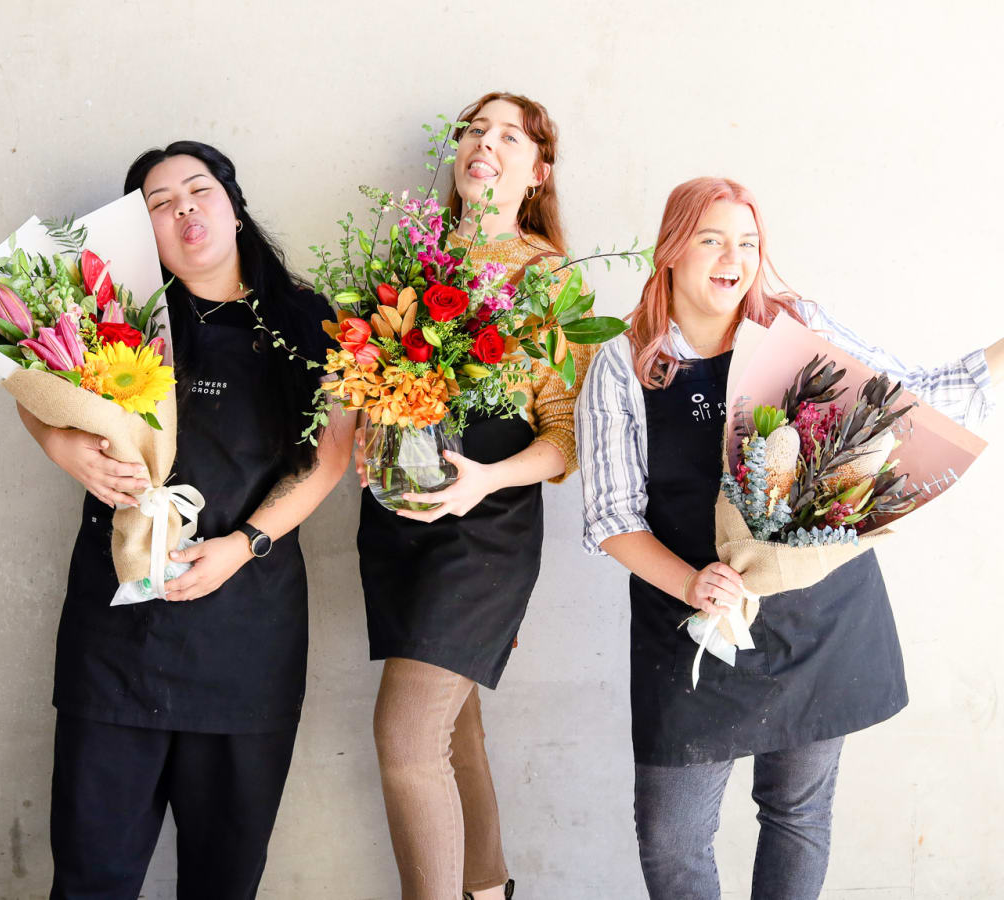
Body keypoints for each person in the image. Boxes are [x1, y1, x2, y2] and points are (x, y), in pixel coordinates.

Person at [575, 176, 1002, 900]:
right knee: (672, 839)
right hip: (693, 624)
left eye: (747, 242)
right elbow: (611, 516)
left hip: (819, 618)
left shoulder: (797, 328)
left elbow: (907, 399)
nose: (731, 257)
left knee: (797, 813)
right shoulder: (625, 361)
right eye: (711, 238)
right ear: (671, 249)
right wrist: (691, 583)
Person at [17, 141, 354, 899]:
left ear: (233, 205)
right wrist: (69, 450)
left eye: (198, 191)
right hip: (116, 635)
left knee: (223, 880)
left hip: (246, 633)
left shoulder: (307, 320)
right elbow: (33, 393)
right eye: (160, 204)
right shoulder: (116, 312)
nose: (184, 210)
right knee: (90, 876)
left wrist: (245, 544)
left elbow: (330, 459)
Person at [357, 91, 593, 900]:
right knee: (452, 733)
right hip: (397, 518)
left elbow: (564, 434)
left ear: (538, 171)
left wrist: (486, 480)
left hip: (484, 527)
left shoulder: (548, 273)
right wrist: (370, 438)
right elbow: (371, 381)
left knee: (404, 739)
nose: (483, 144)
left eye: (507, 136)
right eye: (472, 130)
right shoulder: (408, 262)